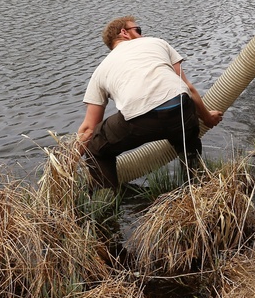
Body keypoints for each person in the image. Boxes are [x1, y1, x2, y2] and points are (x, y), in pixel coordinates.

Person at [75, 16, 224, 189]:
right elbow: (188, 88)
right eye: (138, 30)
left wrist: (67, 166)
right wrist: (207, 118)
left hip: (139, 121)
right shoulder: (157, 43)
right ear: (124, 33)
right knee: (188, 134)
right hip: (181, 110)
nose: (142, 34)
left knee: (95, 148)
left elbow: (88, 129)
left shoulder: (101, 70)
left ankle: (108, 200)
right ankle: (196, 185)